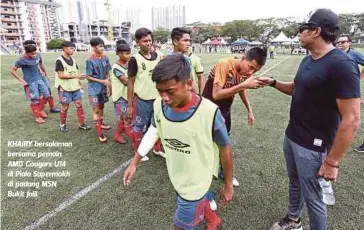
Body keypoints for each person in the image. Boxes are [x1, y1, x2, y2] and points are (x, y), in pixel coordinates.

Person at [257, 9, 361, 230]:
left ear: (316, 31)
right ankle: (293, 221)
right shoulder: (308, 59)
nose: (299, 33)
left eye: (302, 28)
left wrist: (332, 162)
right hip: (293, 134)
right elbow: (297, 89)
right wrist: (273, 82)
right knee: (295, 182)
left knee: (314, 198)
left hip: (314, 144)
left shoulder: (342, 64)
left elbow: (352, 119)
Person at [123, 54, 234, 230]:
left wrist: (228, 184)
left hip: (196, 181)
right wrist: (135, 162)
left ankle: (211, 219)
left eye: (170, 91)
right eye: (160, 91)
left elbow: (225, 148)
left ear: (189, 84)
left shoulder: (209, 112)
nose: (164, 97)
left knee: (180, 226)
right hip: (177, 174)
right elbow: (154, 130)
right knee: (191, 198)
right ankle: (213, 220)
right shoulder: (159, 105)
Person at [202, 47, 268, 187]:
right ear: (243, 58)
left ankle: (223, 172)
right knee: (206, 143)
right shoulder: (224, 63)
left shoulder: (245, 72)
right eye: (250, 67)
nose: (251, 72)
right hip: (208, 108)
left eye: (255, 71)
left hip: (225, 109)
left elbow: (242, 89)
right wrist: (243, 85)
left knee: (224, 142)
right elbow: (216, 94)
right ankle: (204, 175)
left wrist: (249, 109)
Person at [127, 28, 165, 160]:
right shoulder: (134, 59)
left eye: (150, 40)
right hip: (142, 100)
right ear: (138, 42)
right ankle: (137, 151)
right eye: (144, 41)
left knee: (157, 124)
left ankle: (156, 149)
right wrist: (130, 105)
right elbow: (130, 83)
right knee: (139, 125)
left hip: (158, 99)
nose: (148, 43)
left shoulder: (159, 55)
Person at [55, 41, 91, 132]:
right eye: (71, 48)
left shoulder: (73, 60)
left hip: (75, 87)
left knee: (79, 105)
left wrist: (79, 81)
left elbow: (75, 72)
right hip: (64, 88)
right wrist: (76, 76)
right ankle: (62, 125)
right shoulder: (59, 60)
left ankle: (82, 124)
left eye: (73, 48)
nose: (73, 50)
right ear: (64, 48)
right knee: (65, 108)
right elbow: (61, 75)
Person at [336, 34, 364, 153]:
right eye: (339, 42)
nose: (340, 44)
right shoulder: (336, 53)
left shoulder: (355, 54)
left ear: (349, 43)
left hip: (350, 89)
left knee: (350, 116)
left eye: (343, 42)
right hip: (336, 88)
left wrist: (359, 77)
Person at [10, 43, 50, 124]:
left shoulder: (37, 55)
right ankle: (37, 117)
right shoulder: (22, 60)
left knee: (47, 95)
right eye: (32, 54)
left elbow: (36, 62)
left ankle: (40, 111)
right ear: (26, 52)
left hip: (39, 79)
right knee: (34, 99)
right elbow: (12, 70)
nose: (34, 55)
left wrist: (40, 70)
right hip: (30, 82)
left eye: (35, 53)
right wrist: (21, 80)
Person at [23, 40, 61, 113]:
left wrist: (45, 74)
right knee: (37, 95)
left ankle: (52, 107)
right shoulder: (24, 58)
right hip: (33, 79)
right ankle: (39, 110)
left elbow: (40, 64)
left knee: (48, 91)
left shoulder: (37, 54)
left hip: (41, 76)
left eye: (34, 45)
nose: (34, 47)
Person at [86, 37, 112, 143]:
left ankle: (101, 123)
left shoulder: (105, 57)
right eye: (100, 46)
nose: (102, 48)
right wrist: (103, 82)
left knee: (102, 106)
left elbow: (107, 73)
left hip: (103, 88)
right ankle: (100, 134)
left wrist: (108, 86)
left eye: (103, 46)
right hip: (93, 90)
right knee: (96, 110)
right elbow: (88, 77)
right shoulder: (89, 60)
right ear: (93, 47)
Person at [111, 40, 133, 144]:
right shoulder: (116, 67)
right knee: (127, 119)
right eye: (126, 53)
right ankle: (136, 143)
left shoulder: (128, 64)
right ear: (119, 53)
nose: (129, 56)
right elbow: (126, 81)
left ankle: (117, 135)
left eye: (129, 53)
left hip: (127, 96)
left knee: (123, 118)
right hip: (120, 97)